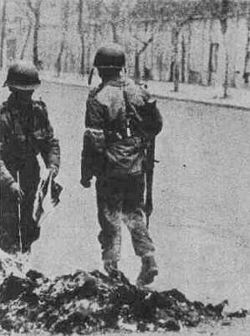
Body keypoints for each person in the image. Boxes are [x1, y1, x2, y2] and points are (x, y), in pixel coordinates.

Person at [81, 43, 163, 286]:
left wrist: (87, 172)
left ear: (101, 70)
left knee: (109, 216)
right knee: (135, 212)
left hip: (110, 167)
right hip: (137, 165)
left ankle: (112, 268)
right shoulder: (141, 92)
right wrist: (138, 143)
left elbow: (94, 140)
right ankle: (149, 259)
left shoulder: (98, 97)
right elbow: (156, 126)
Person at [0, 61, 60, 254]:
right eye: (22, 92)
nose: (27, 96)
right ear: (11, 90)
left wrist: (52, 167)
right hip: (6, 175)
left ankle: (23, 260)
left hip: (29, 172)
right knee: (7, 224)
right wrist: (9, 183)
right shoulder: (3, 117)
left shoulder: (39, 112)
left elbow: (50, 142)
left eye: (29, 92)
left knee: (28, 224)